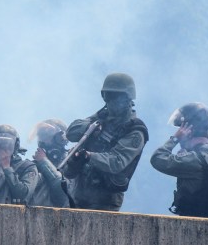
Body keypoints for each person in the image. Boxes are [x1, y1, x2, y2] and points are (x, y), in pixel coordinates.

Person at [61, 73, 148, 211]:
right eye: (109, 96)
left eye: (116, 97)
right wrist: (89, 129)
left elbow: (117, 161)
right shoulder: (101, 117)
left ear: (128, 98)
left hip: (105, 199)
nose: (112, 102)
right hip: (78, 193)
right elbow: (71, 132)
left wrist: (89, 156)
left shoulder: (135, 130)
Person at [150, 103, 208, 220]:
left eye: (181, 129)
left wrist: (175, 138)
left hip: (195, 231)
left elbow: (157, 158)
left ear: (188, 132)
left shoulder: (195, 161)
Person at [27, 119, 70, 208]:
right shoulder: (33, 166)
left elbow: (65, 194)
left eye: (47, 135)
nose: (44, 141)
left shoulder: (73, 162)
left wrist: (43, 162)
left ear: (62, 138)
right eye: (42, 136)